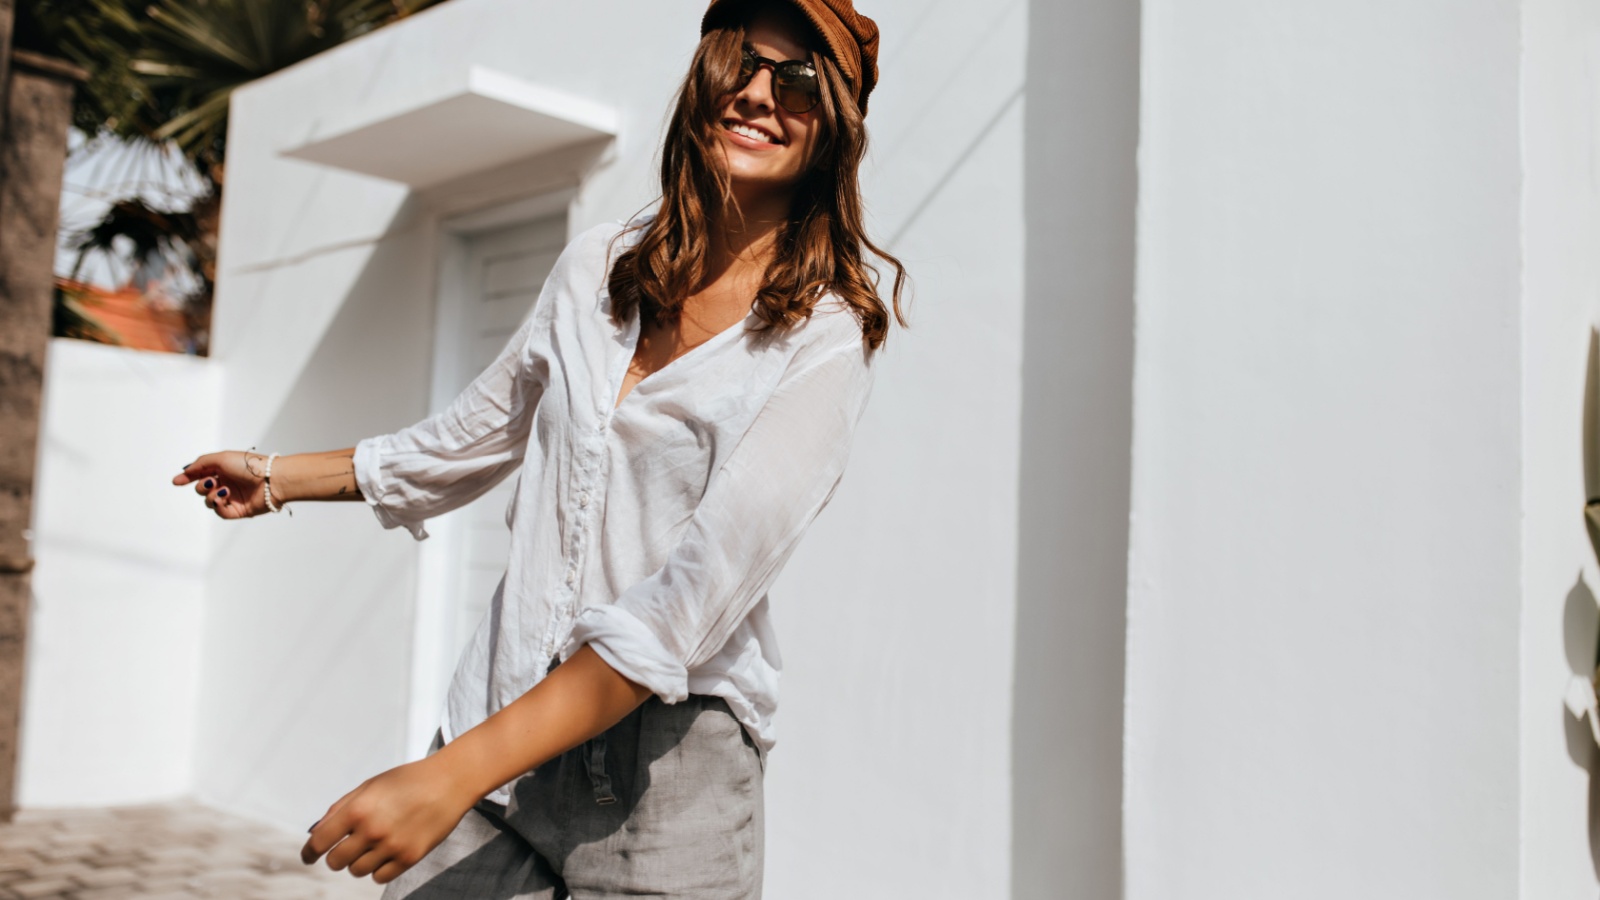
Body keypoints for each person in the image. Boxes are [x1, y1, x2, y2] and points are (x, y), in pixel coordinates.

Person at [172, 0, 904, 895]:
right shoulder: (600, 267)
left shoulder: (824, 334)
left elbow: (680, 610)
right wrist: (280, 476)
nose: (756, 95)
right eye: (737, 65)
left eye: (795, 82)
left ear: (833, 126)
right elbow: (474, 434)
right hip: (502, 710)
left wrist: (447, 775)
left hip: (664, 782)